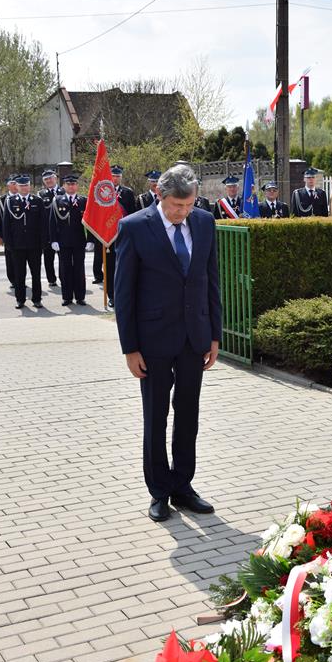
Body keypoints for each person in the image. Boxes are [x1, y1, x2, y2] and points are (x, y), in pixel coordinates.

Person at [113, 163, 221, 522]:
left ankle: (183, 486)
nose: (184, 213)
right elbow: (124, 293)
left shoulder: (204, 223)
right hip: (153, 341)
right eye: (178, 206)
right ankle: (159, 490)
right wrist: (130, 348)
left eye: (189, 205)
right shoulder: (133, 228)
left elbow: (211, 282)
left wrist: (214, 336)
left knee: (188, 414)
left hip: (195, 338)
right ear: (161, 196)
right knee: (156, 416)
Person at [92, 165, 137, 297]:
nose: (115, 178)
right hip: (108, 236)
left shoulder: (127, 193)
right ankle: (111, 295)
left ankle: (124, 294)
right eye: (113, 175)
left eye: (118, 176)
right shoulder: (101, 192)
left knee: (124, 267)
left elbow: (132, 214)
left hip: (123, 235)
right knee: (110, 267)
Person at [2, 175, 46, 309]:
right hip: (17, 245)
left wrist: (43, 242)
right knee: (19, 275)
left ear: (30, 186)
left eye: (26, 185)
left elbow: (43, 224)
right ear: (16, 187)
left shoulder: (37, 201)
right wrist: (8, 243)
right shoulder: (10, 201)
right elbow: (6, 225)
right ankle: (20, 299)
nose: (24, 188)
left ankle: (37, 299)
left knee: (36, 274)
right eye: (21, 186)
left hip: (34, 245)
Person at [49, 174, 92, 306]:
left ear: (77, 186)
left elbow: (90, 222)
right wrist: (53, 240)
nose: (71, 186)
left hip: (79, 241)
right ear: (64, 186)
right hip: (63, 241)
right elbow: (52, 222)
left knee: (79, 269)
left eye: (73, 184)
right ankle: (67, 297)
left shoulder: (83, 201)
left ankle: (80, 297)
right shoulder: (57, 200)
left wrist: (90, 240)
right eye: (68, 184)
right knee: (65, 269)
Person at [0, 174, 19, 290]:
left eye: (16, 183)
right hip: (8, 235)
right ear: (8, 185)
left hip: (21, 235)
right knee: (9, 259)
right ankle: (13, 280)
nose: (15, 186)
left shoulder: (22, 198)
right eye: (13, 184)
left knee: (20, 260)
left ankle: (20, 279)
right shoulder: (2, 200)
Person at [38, 169, 61, 286]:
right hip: (47, 231)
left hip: (62, 231)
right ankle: (51, 279)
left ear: (55, 178)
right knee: (48, 258)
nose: (48, 181)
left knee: (64, 258)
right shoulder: (41, 195)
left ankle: (64, 277)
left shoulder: (63, 191)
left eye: (50, 178)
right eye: (46, 179)